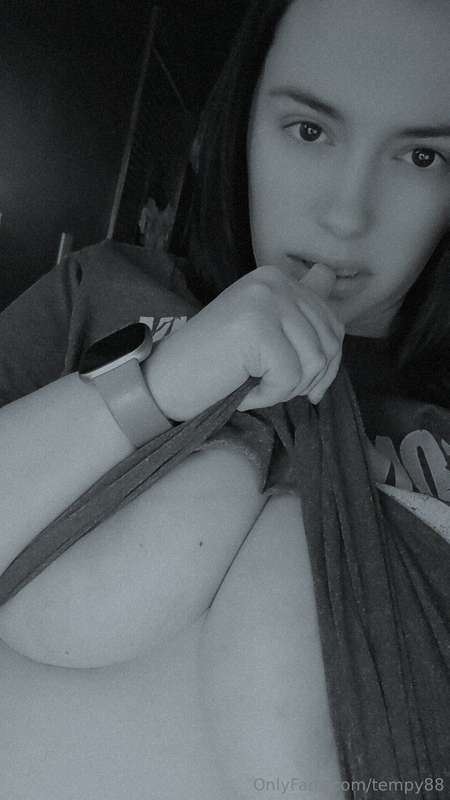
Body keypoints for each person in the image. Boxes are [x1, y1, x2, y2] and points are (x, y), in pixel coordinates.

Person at [0, 0, 449, 798]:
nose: (347, 213)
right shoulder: (100, 291)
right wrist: (167, 377)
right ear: (240, 127)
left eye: (422, 157)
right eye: (308, 130)